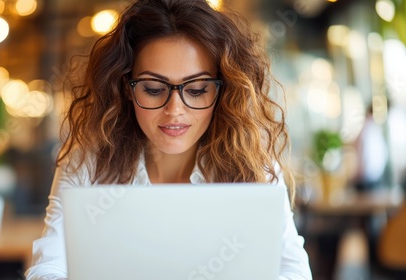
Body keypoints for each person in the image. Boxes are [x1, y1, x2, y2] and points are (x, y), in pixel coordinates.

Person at [25, 0, 312, 279]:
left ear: (221, 93)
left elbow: (293, 269)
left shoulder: (252, 163)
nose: (175, 110)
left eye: (197, 90)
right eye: (152, 89)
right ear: (126, 88)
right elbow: (47, 267)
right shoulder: (86, 160)